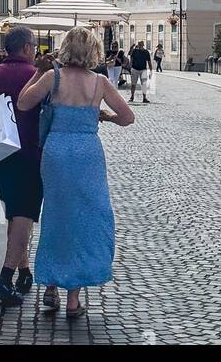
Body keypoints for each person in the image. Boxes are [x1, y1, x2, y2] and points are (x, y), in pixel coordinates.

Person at [18, 26, 134, 320]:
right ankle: (73, 299)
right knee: (88, 218)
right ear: (93, 51)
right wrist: (103, 115)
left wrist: (35, 73)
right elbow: (128, 117)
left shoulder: (51, 78)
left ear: (66, 49)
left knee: (57, 216)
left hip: (56, 151)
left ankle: (52, 285)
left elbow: (23, 103)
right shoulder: (100, 82)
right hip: (87, 153)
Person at [0, 25, 51, 307]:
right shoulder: (36, 76)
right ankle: (4, 279)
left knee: (15, 213)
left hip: (0, 155)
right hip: (31, 154)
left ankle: (24, 272)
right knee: (24, 215)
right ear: (28, 48)